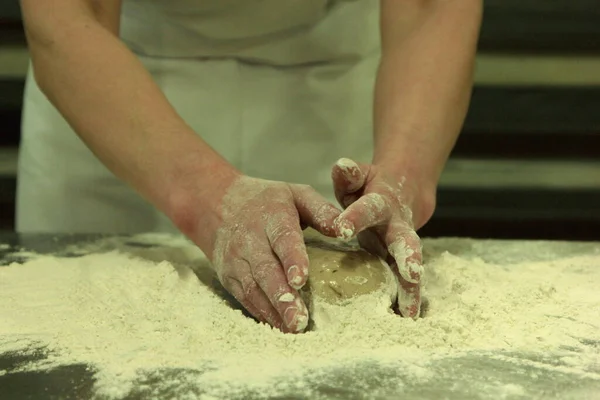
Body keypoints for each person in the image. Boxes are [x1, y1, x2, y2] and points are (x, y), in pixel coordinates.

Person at [16, 0, 482, 333]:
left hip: (324, 82)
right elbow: (70, 14)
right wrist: (209, 201)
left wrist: (402, 172)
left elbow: (430, 8)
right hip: (114, 90)